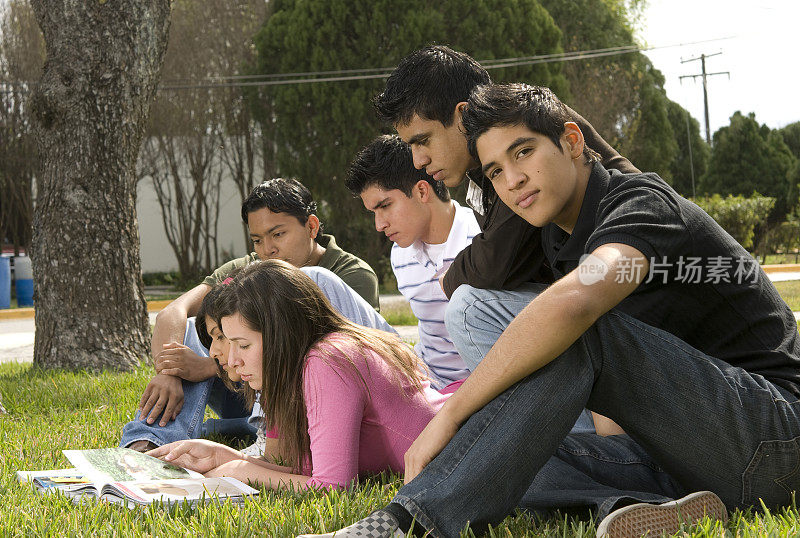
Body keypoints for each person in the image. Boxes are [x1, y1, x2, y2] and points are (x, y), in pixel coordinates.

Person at [307, 84, 800, 538]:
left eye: (523, 152)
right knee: (507, 455)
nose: (514, 179)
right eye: (496, 171)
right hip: (685, 451)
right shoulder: (556, 237)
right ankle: (650, 504)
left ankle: (408, 524)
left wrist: (452, 412)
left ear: (570, 140)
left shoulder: (641, 202)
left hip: (775, 438)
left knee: (568, 328)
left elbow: (577, 304)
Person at [121, 178, 380, 453]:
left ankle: (250, 431)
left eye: (278, 234)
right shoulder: (251, 268)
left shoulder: (348, 274)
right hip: (247, 386)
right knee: (194, 329)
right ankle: (150, 443)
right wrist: (170, 373)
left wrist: (210, 367)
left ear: (312, 226)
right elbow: (172, 313)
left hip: (315, 396)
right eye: (258, 240)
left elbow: (333, 355)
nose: (268, 249)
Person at [148, 260, 453, 491]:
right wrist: (220, 457)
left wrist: (237, 470)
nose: (231, 360)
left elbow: (332, 487)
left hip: (462, 450)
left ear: (281, 334)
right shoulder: (287, 372)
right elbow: (291, 466)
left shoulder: (328, 360)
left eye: (243, 345)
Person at [345, 135, 479, 390]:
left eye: (385, 206)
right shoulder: (401, 255)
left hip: (482, 392)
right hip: (425, 383)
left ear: (421, 191)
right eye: (373, 212)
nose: (379, 224)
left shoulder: (482, 237)